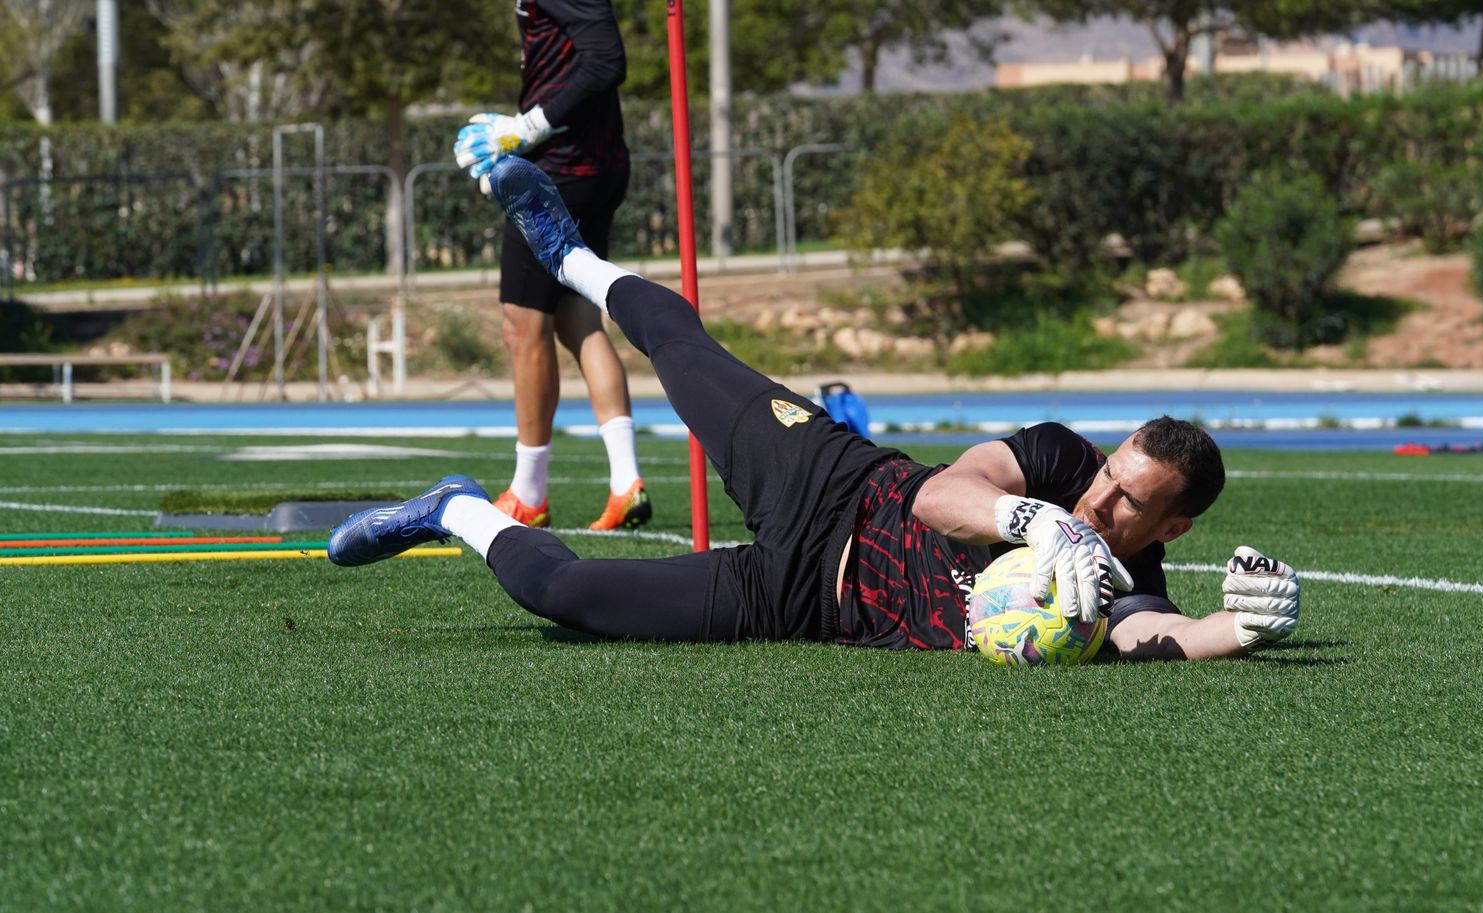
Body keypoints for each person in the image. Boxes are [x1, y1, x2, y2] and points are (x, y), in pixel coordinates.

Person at [330, 158, 1302, 661]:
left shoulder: (1128, 587)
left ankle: (455, 507)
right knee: (685, 350)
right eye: (1109, 476)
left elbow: (1153, 636)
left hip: (799, 603)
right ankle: (569, 252)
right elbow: (944, 495)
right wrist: (1035, 518)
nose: (1102, 501)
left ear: (1172, 524)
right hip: (833, 481)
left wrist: (1244, 627)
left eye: (1131, 502)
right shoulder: (1057, 464)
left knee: (567, 599)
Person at [450, 0, 650, 532]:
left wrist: (528, 128)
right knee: (578, 320)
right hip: (592, 164)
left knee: (523, 326)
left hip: (563, 169)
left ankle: (528, 494)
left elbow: (607, 60)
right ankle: (626, 482)